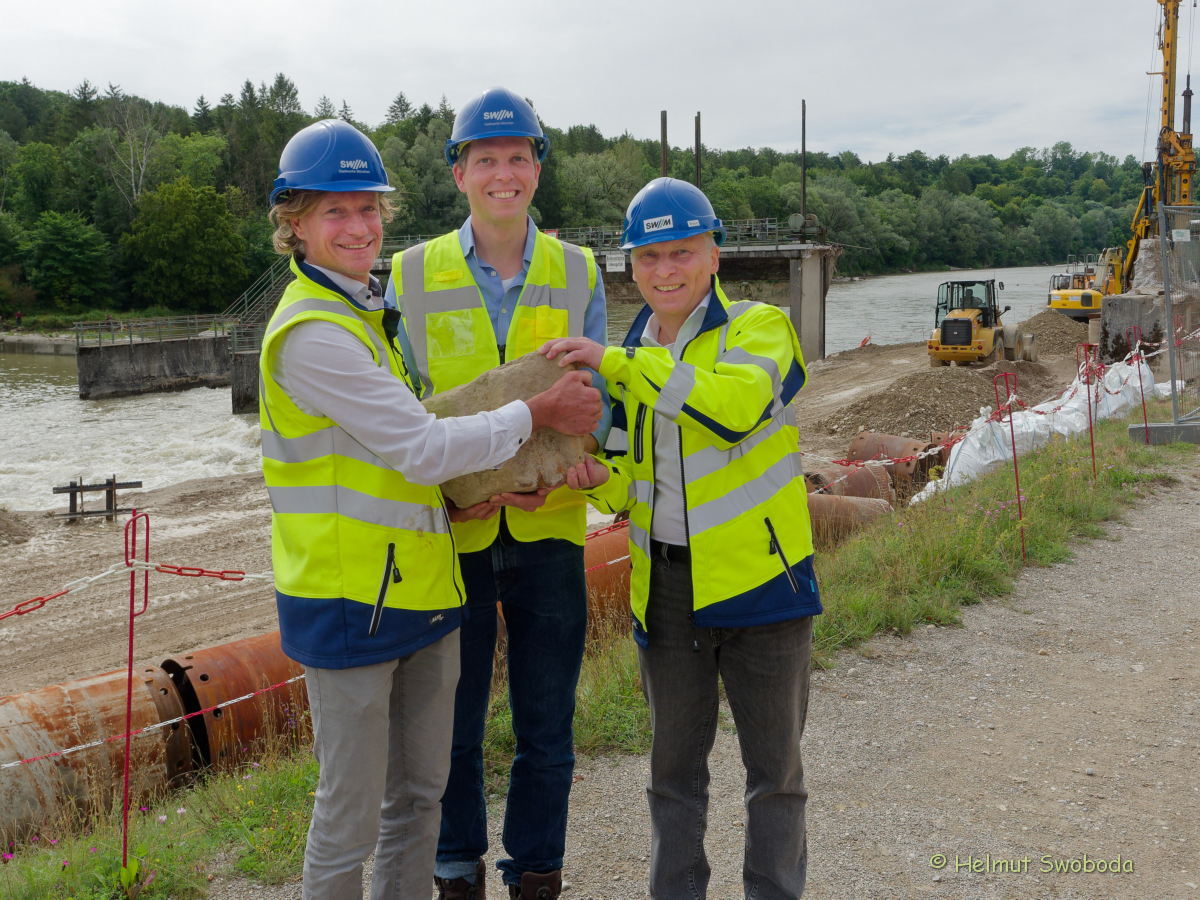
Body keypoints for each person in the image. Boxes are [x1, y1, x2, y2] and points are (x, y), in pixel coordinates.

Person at [259, 118, 600, 900]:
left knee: (417, 799)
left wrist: (457, 505)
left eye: (368, 209)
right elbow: (419, 446)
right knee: (349, 819)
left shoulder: (359, 313)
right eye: (335, 211)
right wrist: (535, 414)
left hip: (418, 585)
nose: (359, 227)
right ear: (295, 224)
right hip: (350, 601)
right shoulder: (314, 334)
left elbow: (391, 463)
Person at [544, 177, 823, 899]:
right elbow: (632, 482)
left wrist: (615, 363)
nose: (665, 270)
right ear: (630, 267)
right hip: (665, 589)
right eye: (649, 256)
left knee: (775, 775)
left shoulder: (760, 328)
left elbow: (730, 411)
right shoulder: (630, 356)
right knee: (671, 776)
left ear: (714, 255)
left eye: (682, 252)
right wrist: (592, 481)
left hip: (764, 583)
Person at [385, 86, 609, 900]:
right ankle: (456, 872)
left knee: (547, 726)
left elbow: (602, 399)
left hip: (551, 530)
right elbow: (395, 412)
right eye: (486, 160)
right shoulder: (409, 274)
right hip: (454, 536)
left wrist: (589, 461)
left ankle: (537, 873)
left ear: (537, 170)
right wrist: (445, 498)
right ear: (459, 173)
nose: (503, 174)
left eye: (518, 157)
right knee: (452, 727)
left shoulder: (579, 270)